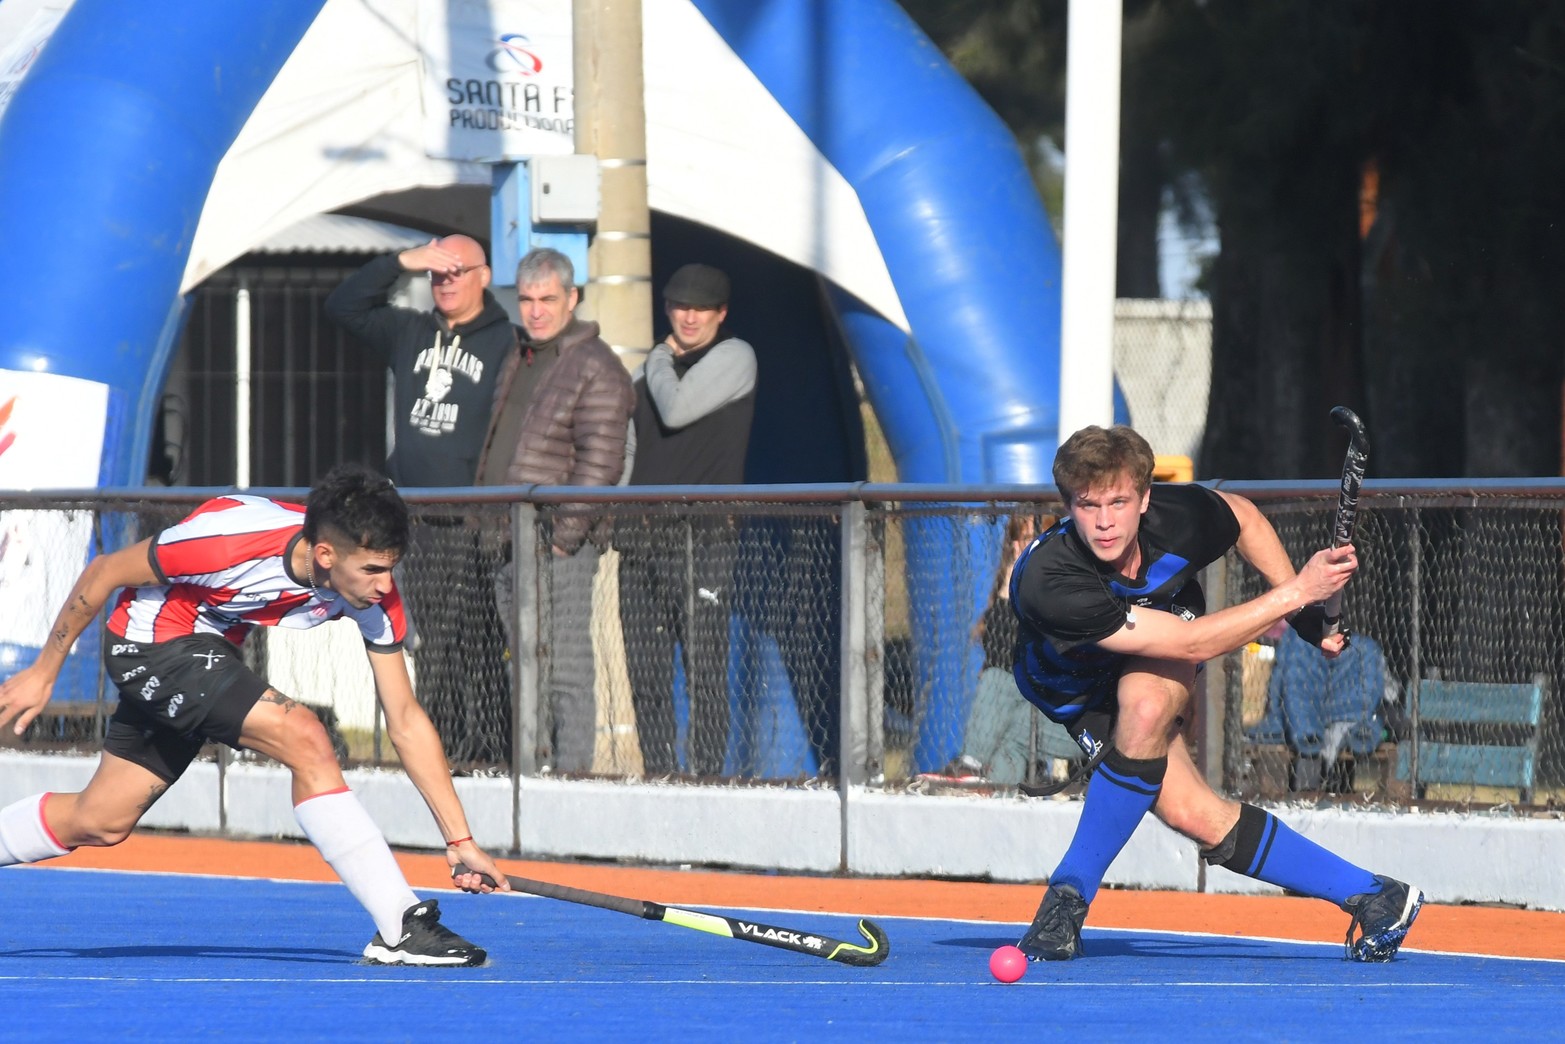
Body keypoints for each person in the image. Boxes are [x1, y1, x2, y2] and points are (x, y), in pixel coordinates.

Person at [0, 463, 509, 966]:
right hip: (149, 642)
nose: (384, 585)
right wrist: (44, 672)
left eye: (390, 568)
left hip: (208, 654)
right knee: (306, 738)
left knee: (101, 819)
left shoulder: (375, 598)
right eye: (372, 570)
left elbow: (404, 719)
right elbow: (103, 571)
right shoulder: (226, 541)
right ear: (326, 555)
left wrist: (459, 839)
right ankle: (400, 925)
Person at [1010, 425, 1422, 963]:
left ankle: (1064, 902)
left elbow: (1244, 518)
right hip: (1077, 689)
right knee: (1192, 812)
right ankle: (1377, 897)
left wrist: (1302, 616)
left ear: (1145, 499)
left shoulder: (1179, 517)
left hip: (1155, 647)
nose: (1105, 521)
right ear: (1067, 507)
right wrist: (1299, 592)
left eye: (1119, 501)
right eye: (1088, 505)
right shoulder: (1049, 577)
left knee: (1149, 705)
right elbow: (1188, 642)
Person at [325, 235, 515, 765]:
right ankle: (444, 750)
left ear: (483, 274)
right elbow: (343, 305)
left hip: (475, 516)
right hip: (415, 517)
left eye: (456, 272)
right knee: (431, 643)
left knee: (477, 641)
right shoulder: (410, 330)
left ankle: (494, 752)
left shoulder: (506, 341)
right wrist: (401, 263)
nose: (445, 282)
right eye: (436, 273)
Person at [475, 247, 634, 775]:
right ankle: (530, 772)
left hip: (556, 546)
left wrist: (564, 537)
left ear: (573, 299)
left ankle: (570, 780)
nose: (535, 310)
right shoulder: (517, 357)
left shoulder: (597, 367)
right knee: (524, 666)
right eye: (526, 299)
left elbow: (601, 461)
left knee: (564, 668)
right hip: (506, 539)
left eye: (547, 299)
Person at [617, 264, 757, 776]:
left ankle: (706, 780)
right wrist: (614, 514)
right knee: (646, 675)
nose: (689, 316)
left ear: (722, 313)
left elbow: (676, 409)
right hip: (640, 539)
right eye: (679, 305)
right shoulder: (645, 375)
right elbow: (628, 453)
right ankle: (659, 774)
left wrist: (655, 356)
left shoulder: (735, 356)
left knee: (704, 671)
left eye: (701, 308)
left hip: (704, 539)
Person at [918, 511, 1081, 787]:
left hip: (1079, 725)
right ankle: (988, 796)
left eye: (1034, 541)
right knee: (1010, 740)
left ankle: (971, 764)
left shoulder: (1067, 593)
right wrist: (1010, 579)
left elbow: (1009, 657)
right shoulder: (1011, 592)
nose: (1025, 548)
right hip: (1028, 717)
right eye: (1019, 540)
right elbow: (1001, 651)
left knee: (999, 680)